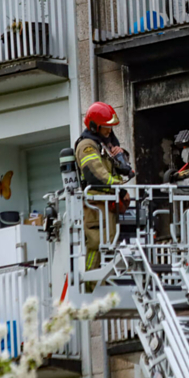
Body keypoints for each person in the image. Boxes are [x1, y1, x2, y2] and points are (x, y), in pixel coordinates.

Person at [75, 102, 132, 275]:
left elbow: (117, 170)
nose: (109, 130)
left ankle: (103, 285)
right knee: (96, 247)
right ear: (95, 126)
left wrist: (121, 158)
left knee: (108, 248)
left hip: (106, 206)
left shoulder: (103, 145)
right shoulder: (87, 146)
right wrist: (121, 190)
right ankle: (90, 285)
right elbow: (96, 175)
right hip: (95, 208)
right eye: (106, 126)